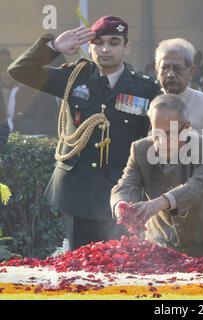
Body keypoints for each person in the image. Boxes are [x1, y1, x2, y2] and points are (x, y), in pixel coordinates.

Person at [8, 16, 160, 250]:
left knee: (122, 266)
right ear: (90, 47)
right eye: (98, 42)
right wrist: (54, 48)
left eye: (114, 42)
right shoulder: (73, 77)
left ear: (126, 48)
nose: (105, 48)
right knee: (80, 265)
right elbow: (20, 70)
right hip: (79, 190)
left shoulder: (146, 88)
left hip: (122, 190)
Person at [111, 94, 203, 257]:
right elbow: (126, 185)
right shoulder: (140, 149)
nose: (161, 142)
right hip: (163, 246)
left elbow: (198, 185)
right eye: (157, 134)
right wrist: (121, 206)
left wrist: (159, 203)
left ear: (186, 128)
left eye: (170, 134)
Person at [154, 38, 203, 133]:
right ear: (157, 73)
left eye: (177, 68)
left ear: (190, 72)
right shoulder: (148, 101)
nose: (170, 75)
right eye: (165, 68)